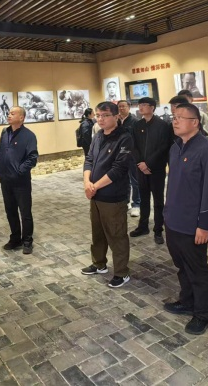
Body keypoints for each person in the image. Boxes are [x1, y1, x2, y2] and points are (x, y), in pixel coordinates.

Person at [163, 103, 208, 335]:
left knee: (197, 270)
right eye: (174, 117)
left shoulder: (207, 150)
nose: (175, 121)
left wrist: (203, 226)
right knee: (181, 266)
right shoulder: (175, 146)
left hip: (192, 224)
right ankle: (187, 301)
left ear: (195, 122)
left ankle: (203, 314)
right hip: (173, 220)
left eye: (180, 117)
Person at [81, 102, 134, 288]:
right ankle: (99, 264)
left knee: (116, 235)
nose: (100, 119)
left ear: (116, 116)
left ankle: (121, 272)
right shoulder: (98, 136)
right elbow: (89, 160)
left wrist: (94, 186)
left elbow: (118, 169)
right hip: (95, 195)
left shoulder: (124, 138)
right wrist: (87, 183)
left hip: (113, 197)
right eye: (98, 115)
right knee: (98, 233)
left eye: (105, 115)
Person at [0, 107, 39, 254]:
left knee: (25, 212)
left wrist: (19, 171)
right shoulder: (5, 132)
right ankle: (15, 239)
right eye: (9, 113)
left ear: (21, 118)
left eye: (12, 113)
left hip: (21, 182)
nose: (9, 115)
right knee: (10, 211)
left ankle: (27, 241)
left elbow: (32, 158)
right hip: (5, 180)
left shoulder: (29, 136)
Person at [130, 97, 173, 244]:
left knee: (158, 200)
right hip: (141, 169)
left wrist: (148, 164)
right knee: (144, 199)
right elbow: (133, 146)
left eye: (144, 105)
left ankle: (158, 229)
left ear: (152, 107)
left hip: (156, 169)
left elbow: (163, 147)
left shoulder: (163, 125)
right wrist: (140, 163)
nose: (140, 107)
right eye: (139, 105)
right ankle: (143, 226)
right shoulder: (137, 125)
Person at [117, 100, 140, 217]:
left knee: (135, 181)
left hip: (132, 156)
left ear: (129, 107)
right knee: (123, 181)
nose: (121, 108)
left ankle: (136, 204)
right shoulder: (116, 121)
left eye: (123, 106)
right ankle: (126, 203)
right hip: (120, 156)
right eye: (119, 107)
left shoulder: (135, 121)